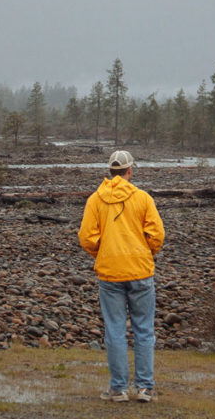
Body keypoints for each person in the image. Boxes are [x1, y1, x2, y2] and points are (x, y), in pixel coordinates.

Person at [78, 150, 165, 403]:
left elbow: (86, 237)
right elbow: (157, 234)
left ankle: (118, 389)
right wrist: (149, 251)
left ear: (111, 171)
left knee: (115, 330)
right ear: (130, 171)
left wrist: (100, 251)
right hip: (140, 270)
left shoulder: (96, 199)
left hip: (109, 272)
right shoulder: (143, 198)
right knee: (144, 330)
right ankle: (145, 388)